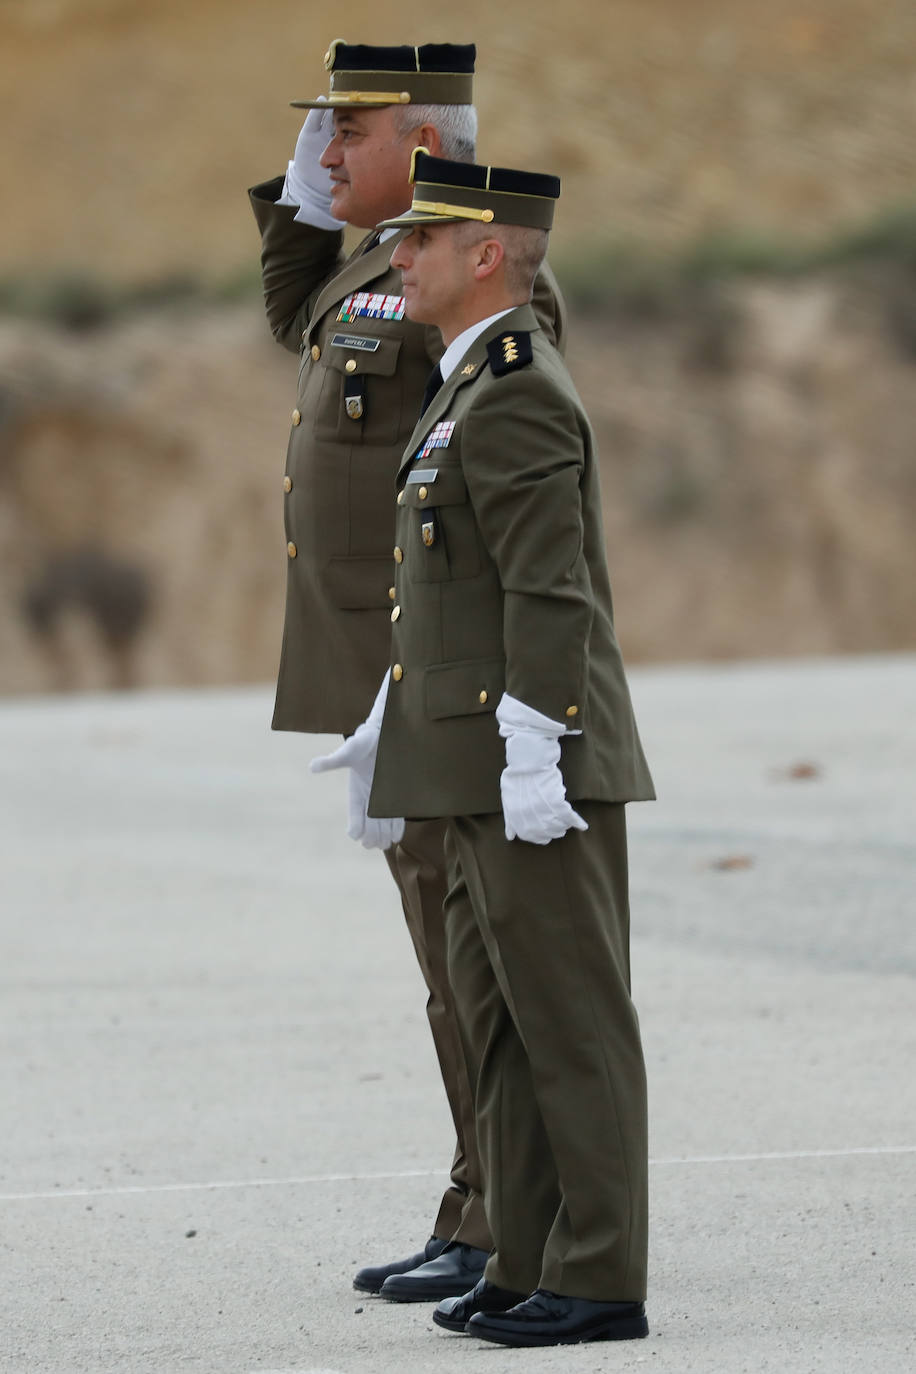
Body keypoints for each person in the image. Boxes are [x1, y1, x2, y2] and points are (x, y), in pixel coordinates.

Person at [312, 151, 656, 1346]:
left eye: (420, 240)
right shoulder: (465, 386)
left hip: (532, 756)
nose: (396, 257)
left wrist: (534, 746)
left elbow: (546, 592)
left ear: (485, 253)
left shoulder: (514, 386)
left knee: (569, 1018)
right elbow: (449, 596)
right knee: (499, 1021)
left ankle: (601, 1276)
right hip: (463, 756)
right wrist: (387, 729)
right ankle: (522, 1256)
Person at [248, 40, 567, 1303]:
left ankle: (502, 1218)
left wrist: (456, 676)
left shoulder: (476, 281)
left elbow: (499, 462)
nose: (327, 155)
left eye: (348, 135)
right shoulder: (376, 273)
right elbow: (294, 318)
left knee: (471, 960)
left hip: (428, 674)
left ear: (426, 149)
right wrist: (301, 204)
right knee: (443, 961)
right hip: (380, 673)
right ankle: (473, 1203)